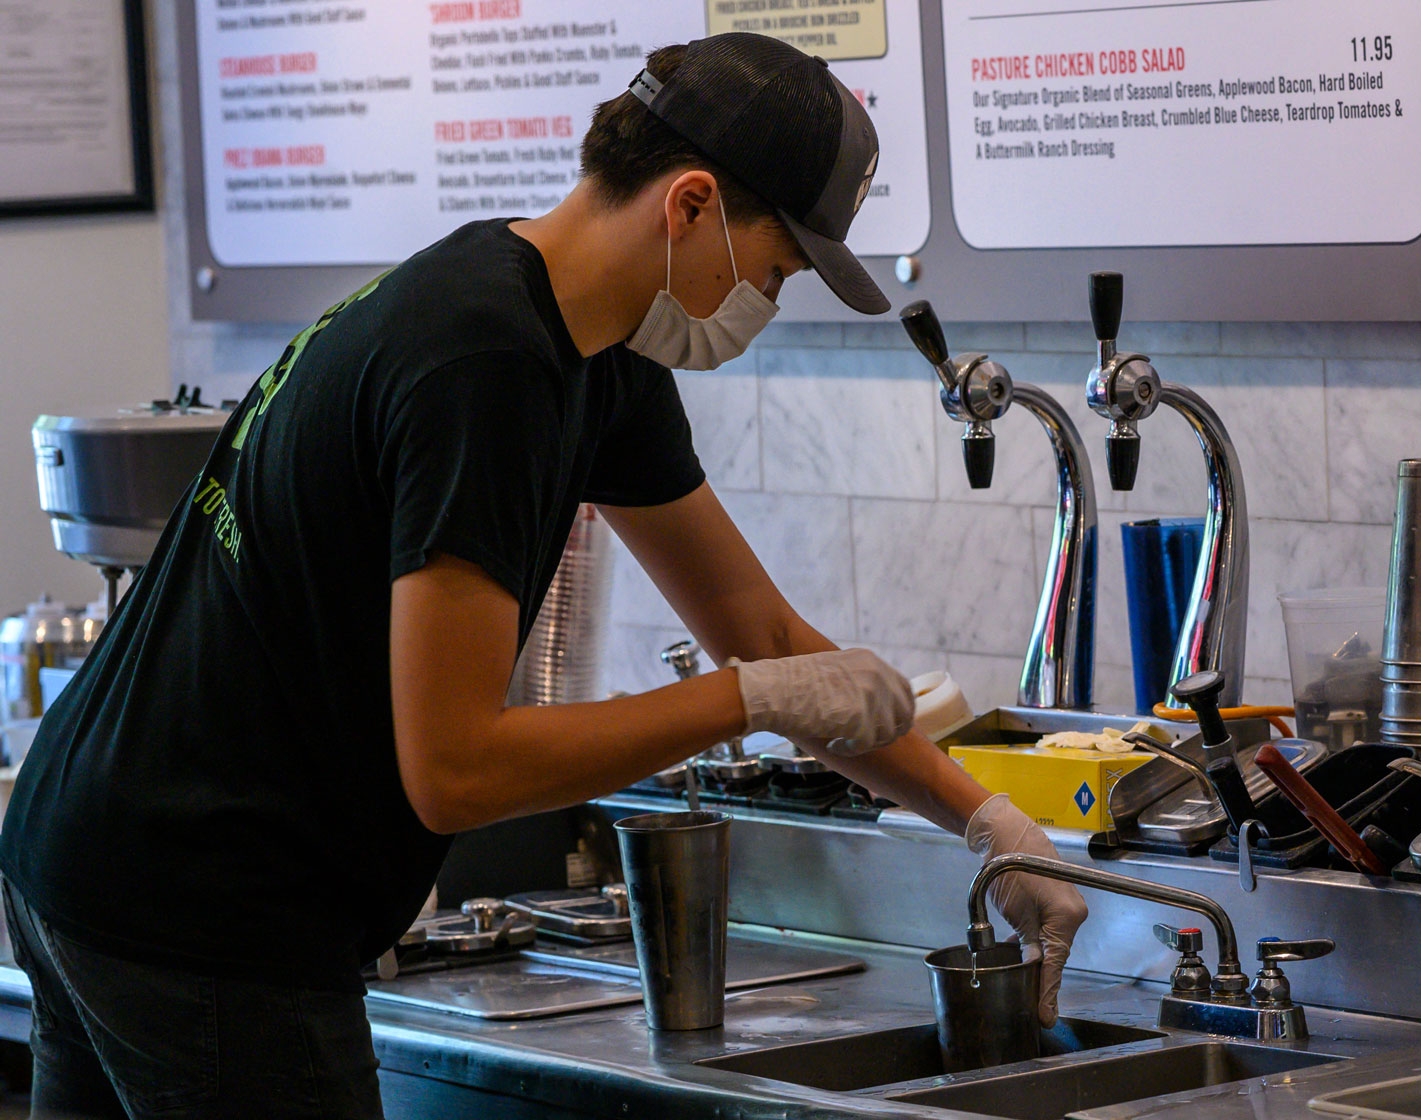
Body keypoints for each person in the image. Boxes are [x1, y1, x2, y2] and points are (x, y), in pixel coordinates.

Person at [0, 33, 1086, 1119]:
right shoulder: (485, 365)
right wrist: (736, 704)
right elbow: (458, 769)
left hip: (89, 851)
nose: (767, 297)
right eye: (776, 267)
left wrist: (986, 821)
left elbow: (759, 629)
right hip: (205, 908)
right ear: (692, 203)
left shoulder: (588, 346)